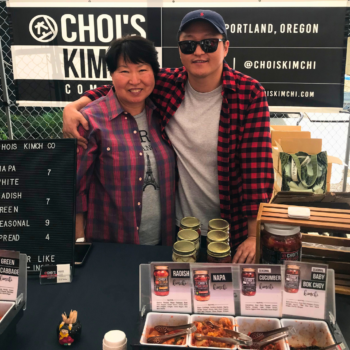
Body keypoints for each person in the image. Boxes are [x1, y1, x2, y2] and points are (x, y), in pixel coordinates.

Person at [64, 10, 274, 262]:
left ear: (225, 46)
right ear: (180, 50)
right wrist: (73, 106)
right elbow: (121, 88)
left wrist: (253, 235)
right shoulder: (167, 84)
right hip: (178, 228)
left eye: (208, 43)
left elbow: (256, 169)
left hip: (228, 230)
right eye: (189, 44)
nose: (198, 51)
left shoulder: (249, 94)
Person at [75, 36, 176, 245]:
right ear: (111, 75)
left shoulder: (162, 114)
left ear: (154, 73)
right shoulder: (91, 120)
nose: (135, 80)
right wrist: (78, 241)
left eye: (142, 69)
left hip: (164, 243)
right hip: (113, 245)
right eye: (124, 71)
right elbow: (76, 188)